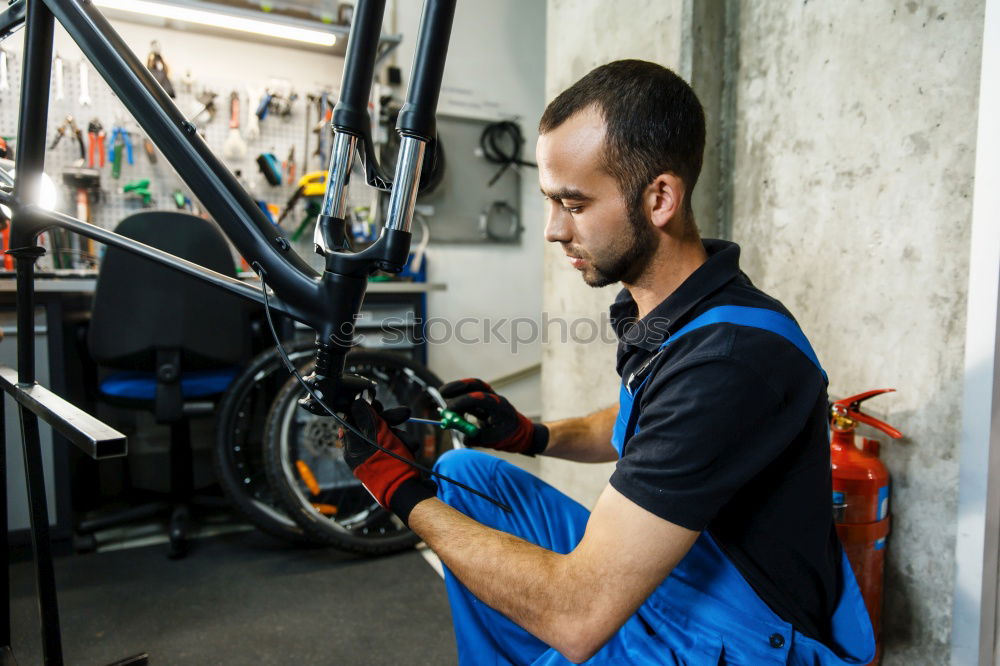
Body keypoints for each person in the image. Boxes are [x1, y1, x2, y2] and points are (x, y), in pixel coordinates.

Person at [343, 60, 875, 665]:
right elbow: (635, 426)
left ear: (660, 198)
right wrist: (530, 434)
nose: (552, 230)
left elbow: (577, 615)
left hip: (745, 628)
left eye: (573, 204)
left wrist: (399, 492)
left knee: (562, 615)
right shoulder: (671, 309)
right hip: (682, 569)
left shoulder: (727, 361)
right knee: (469, 480)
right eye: (550, 200)